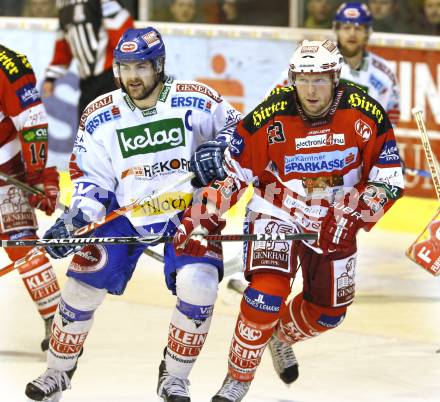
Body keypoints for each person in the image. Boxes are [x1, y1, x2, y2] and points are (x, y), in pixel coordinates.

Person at [173, 39, 405, 401]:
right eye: (303, 79)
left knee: (329, 312)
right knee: (264, 297)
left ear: (336, 77)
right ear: (292, 78)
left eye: (320, 80)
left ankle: (278, 335)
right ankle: (237, 382)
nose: (310, 90)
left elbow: (389, 180)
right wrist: (200, 218)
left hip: (337, 217)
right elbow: (233, 175)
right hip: (277, 210)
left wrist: (356, 215)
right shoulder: (271, 115)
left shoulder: (365, 113)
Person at [25, 27, 242, 402]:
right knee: (81, 287)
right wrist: (77, 219)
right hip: (126, 212)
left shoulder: (196, 98)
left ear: (159, 65)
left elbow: (238, 130)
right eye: (125, 68)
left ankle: (174, 377)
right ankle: (57, 372)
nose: (133, 77)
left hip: (186, 212)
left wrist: (221, 149)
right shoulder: (99, 114)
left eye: (141, 66)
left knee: (200, 284)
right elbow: (90, 176)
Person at [0, 44, 61, 351]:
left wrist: (39, 178)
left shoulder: (8, 65)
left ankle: (57, 320)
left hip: (5, 170)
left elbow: (33, 122)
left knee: (21, 244)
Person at [272, 2, 400, 127]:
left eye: (358, 28)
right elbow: (274, 98)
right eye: (346, 27)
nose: (352, 34)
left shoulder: (385, 73)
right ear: (336, 30)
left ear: (368, 32)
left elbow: (391, 116)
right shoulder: (313, 59)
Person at [42, 0, 134, 120]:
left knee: (113, 128)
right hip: (86, 82)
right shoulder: (62, 3)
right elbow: (63, 40)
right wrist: (51, 77)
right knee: (84, 129)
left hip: (110, 77)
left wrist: (129, 65)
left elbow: (122, 30)